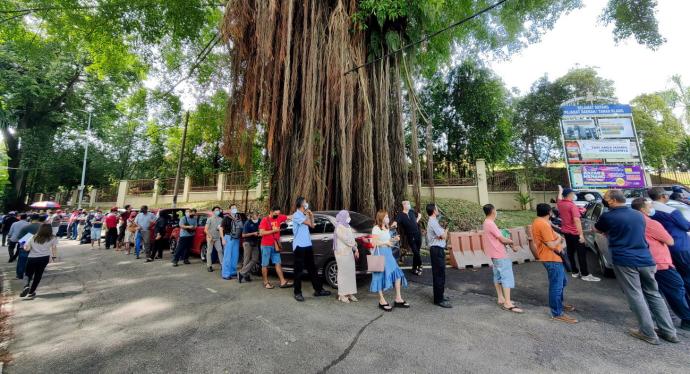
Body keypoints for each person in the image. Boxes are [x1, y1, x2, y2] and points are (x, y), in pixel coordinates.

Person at [595, 190, 678, 344]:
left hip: (625, 260)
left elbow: (598, 229)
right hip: (646, 259)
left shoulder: (608, 216)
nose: (605, 201)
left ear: (612, 201)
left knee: (635, 295)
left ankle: (648, 332)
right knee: (654, 294)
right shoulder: (638, 215)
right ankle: (669, 331)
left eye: (606, 199)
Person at [631, 197, 690, 331]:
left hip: (640, 261)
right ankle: (685, 318)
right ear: (643, 209)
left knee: (652, 292)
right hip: (660, 261)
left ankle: (662, 321)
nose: (652, 208)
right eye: (649, 206)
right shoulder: (651, 223)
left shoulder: (631, 222)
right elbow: (670, 241)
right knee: (676, 288)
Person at [531, 203, 577, 323]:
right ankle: (557, 312)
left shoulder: (540, 222)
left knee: (562, 282)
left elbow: (553, 236)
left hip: (553, 257)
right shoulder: (543, 224)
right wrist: (559, 239)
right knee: (556, 286)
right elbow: (551, 244)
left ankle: (559, 305)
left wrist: (557, 237)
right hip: (551, 257)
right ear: (549, 212)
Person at [649, 187, 690, 302]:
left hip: (661, 250)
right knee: (686, 274)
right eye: (666, 194)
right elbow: (686, 226)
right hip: (680, 247)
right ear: (663, 196)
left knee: (674, 277)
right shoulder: (671, 211)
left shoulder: (649, 210)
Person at [482, 204, 523, 313]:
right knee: (506, 277)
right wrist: (512, 242)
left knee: (498, 275)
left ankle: (501, 298)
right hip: (499, 253)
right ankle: (507, 303)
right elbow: (502, 239)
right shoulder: (491, 223)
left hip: (494, 254)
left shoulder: (486, 222)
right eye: (495, 209)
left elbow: (497, 236)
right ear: (493, 211)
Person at [291, 197, 331, 302]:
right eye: (305, 202)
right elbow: (308, 223)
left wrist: (311, 215)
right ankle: (297, 292)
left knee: (312, 268)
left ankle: (318, 290)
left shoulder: (304, 215)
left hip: (307, 245)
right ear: (301, 204)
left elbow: (312, 225)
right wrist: (308, 215)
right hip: (299, 246)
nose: (307, 204)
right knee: (298, 271)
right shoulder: (296, 215)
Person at [556, 187, 600, 281]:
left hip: (566, 232)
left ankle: (575, 272)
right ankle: (585, 274)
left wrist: (560, 191)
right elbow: (577, 220)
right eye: (573, 194)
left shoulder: (560, 204)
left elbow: (559, 198)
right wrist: (581, 235)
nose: (574, 195)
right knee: (581, 254)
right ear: (570, 195)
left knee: (571, 252)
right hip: (575, 233)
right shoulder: (572, 206)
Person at [370, 209, 409, 311]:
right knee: (379, 276)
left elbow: (387, 241)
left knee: (397, 274)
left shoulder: (386, 227)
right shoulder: (376, 228)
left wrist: (393, 239)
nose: (388, 218)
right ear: (381, 218)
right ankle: (381, 300)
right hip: (380, 254)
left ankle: (398, 298)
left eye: (388, 216)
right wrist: (385, 243)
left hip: (388, 253)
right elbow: (374, 243)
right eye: (386, 216)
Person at [19, 223, 58, 300]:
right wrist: (54, 257)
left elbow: (27, 249)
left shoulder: (32, 237)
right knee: (38, 274)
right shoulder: (53, 238)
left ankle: (26, 286)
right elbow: (54, 248)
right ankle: (31, 292)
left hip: (32, 258)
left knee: (28, 274)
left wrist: (23, 245)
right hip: (44, 258)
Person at [258, 207, 291, 289]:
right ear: (271, 212)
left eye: (278, 213)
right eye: (276, 214)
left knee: (278, 263)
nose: (277, 215)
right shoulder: (265, 220)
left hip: (275, 245)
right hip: (266, 245)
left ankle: (282, 281)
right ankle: (266, 282)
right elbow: (261, 233)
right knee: (265, 264)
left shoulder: (279, 217)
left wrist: (302, 213)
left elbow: (290, 217)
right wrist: (273, 231)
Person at [333, 210, 359, 303]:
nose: (349, 217)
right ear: (343, 217)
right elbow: (347, 240)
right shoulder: (339, 227)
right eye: (347, 216)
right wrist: (354, 245)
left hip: (349, 253)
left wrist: (356, 249)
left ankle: (350, 293)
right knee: (343, 273)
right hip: (341, 254)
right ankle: (342, 294)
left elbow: (352, 239)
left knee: (350, 273)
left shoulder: (348, 226)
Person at [395, 200, 423, 276]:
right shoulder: (400, 215)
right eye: (407, 204)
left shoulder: (412, 212)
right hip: (410, 236)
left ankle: (414, 269)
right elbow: (396, 222)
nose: (409, 205)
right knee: (416, 252)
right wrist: (394, 224)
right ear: (404, 205)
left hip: (418, 234)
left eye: (409, 203)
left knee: (417, 251)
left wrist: (418, 218)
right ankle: (420, 265)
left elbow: (414, 222)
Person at [219, 205, 243, 280]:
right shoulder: (226, 218)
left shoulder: (238, 217)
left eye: (235, 208)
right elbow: (220, 228)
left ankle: (232, 271)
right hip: (228, 238)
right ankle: (225, 274)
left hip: (236, 238)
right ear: (229, 210)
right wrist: (222, 239)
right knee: (227, 256)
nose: (234, 209)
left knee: (235, 256)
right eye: (232, 208)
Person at [16, 214, 42, 280]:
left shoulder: (26, 227)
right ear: (38, 219)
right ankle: (31, 275)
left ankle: (20, 275)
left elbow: (20, 238)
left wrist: (23, 246)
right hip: (38, 246)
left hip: (25, 245)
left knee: (22, 261)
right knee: (35, 262)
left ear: (30, 219)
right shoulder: (42, 227)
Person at [239, 211, 261, 283]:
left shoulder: (260, 221)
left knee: (255, 259)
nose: (257, 216)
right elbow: (243, 235)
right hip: (247, 242)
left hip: (255, 242)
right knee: (246, 259)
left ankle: (242, 272)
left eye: (257, 215)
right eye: (255, 215)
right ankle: (245, 276)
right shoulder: (248, 223)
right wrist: (253, 233)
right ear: (251, 217)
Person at [204, 206, 224, 272]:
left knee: (220, 250)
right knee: (209, 252)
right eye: (216, 210)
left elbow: (221, 229)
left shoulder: (221, 219)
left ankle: (222, 265)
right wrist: (210, 236)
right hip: (210, 238)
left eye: (218, 210)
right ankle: (209, 266)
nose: (217, 211)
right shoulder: (209, 219)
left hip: (217, 238)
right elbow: (205, 230)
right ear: (213, 211)